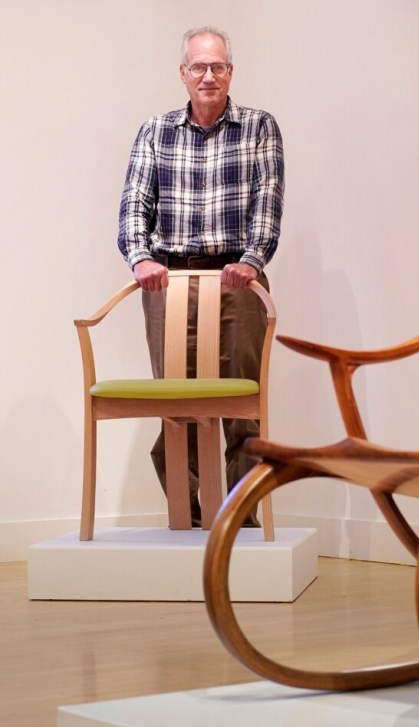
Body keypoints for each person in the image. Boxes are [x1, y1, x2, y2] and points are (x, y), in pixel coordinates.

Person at [117, 26, 284, 526]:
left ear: (230, 71)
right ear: (183, 74)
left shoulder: (259, 126)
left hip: (238, 280)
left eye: (217, 66)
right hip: (169, 283)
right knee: (178, 400)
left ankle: (241, 517)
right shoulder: (155, 130)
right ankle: (185, 515)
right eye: (198, 67)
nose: (207, 76)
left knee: (242, 399)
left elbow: (268, 202)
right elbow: (133, 204)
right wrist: (141, 258)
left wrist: (252, 260)